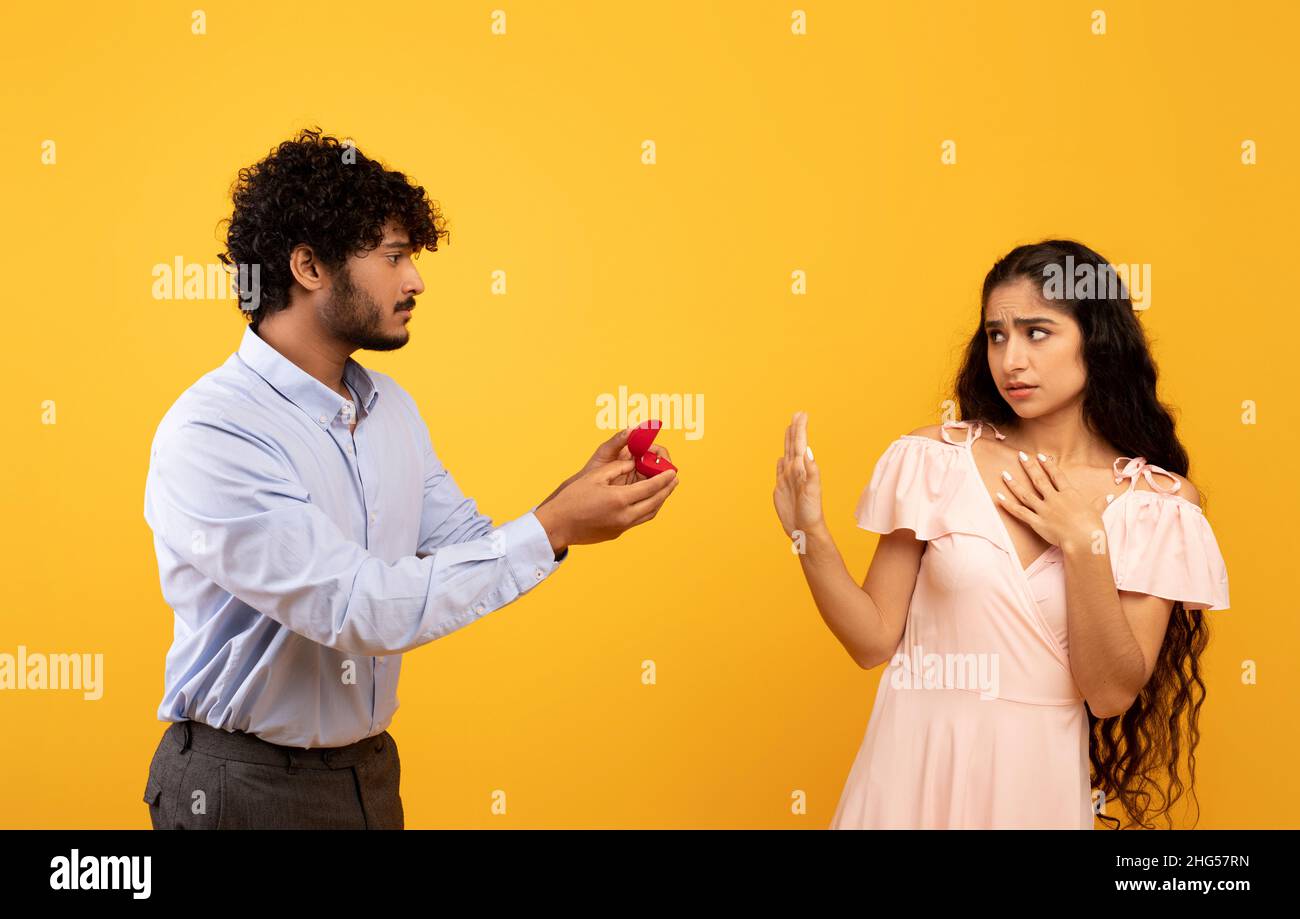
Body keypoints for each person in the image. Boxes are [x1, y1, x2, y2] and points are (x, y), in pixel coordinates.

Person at [141, 128, 679, 829]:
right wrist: (551, 528)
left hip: (369, 774)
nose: (416, 280)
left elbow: (465, 543)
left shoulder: (389, 407)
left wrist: (574, 501)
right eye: (394, 257)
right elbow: (357, 609)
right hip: (242, 787)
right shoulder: (215, 432)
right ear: (309, 265)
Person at [773, 239, 1229, 829]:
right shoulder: (935, 459)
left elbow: (1110, 693)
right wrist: (809, 533)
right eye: (996, 335)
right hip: (907, 765)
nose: (1010, 359)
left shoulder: (1157, 505)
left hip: (1031, 789)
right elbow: (872, 643)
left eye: (1037, 332)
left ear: (1097, 338)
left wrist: (1085, 540)